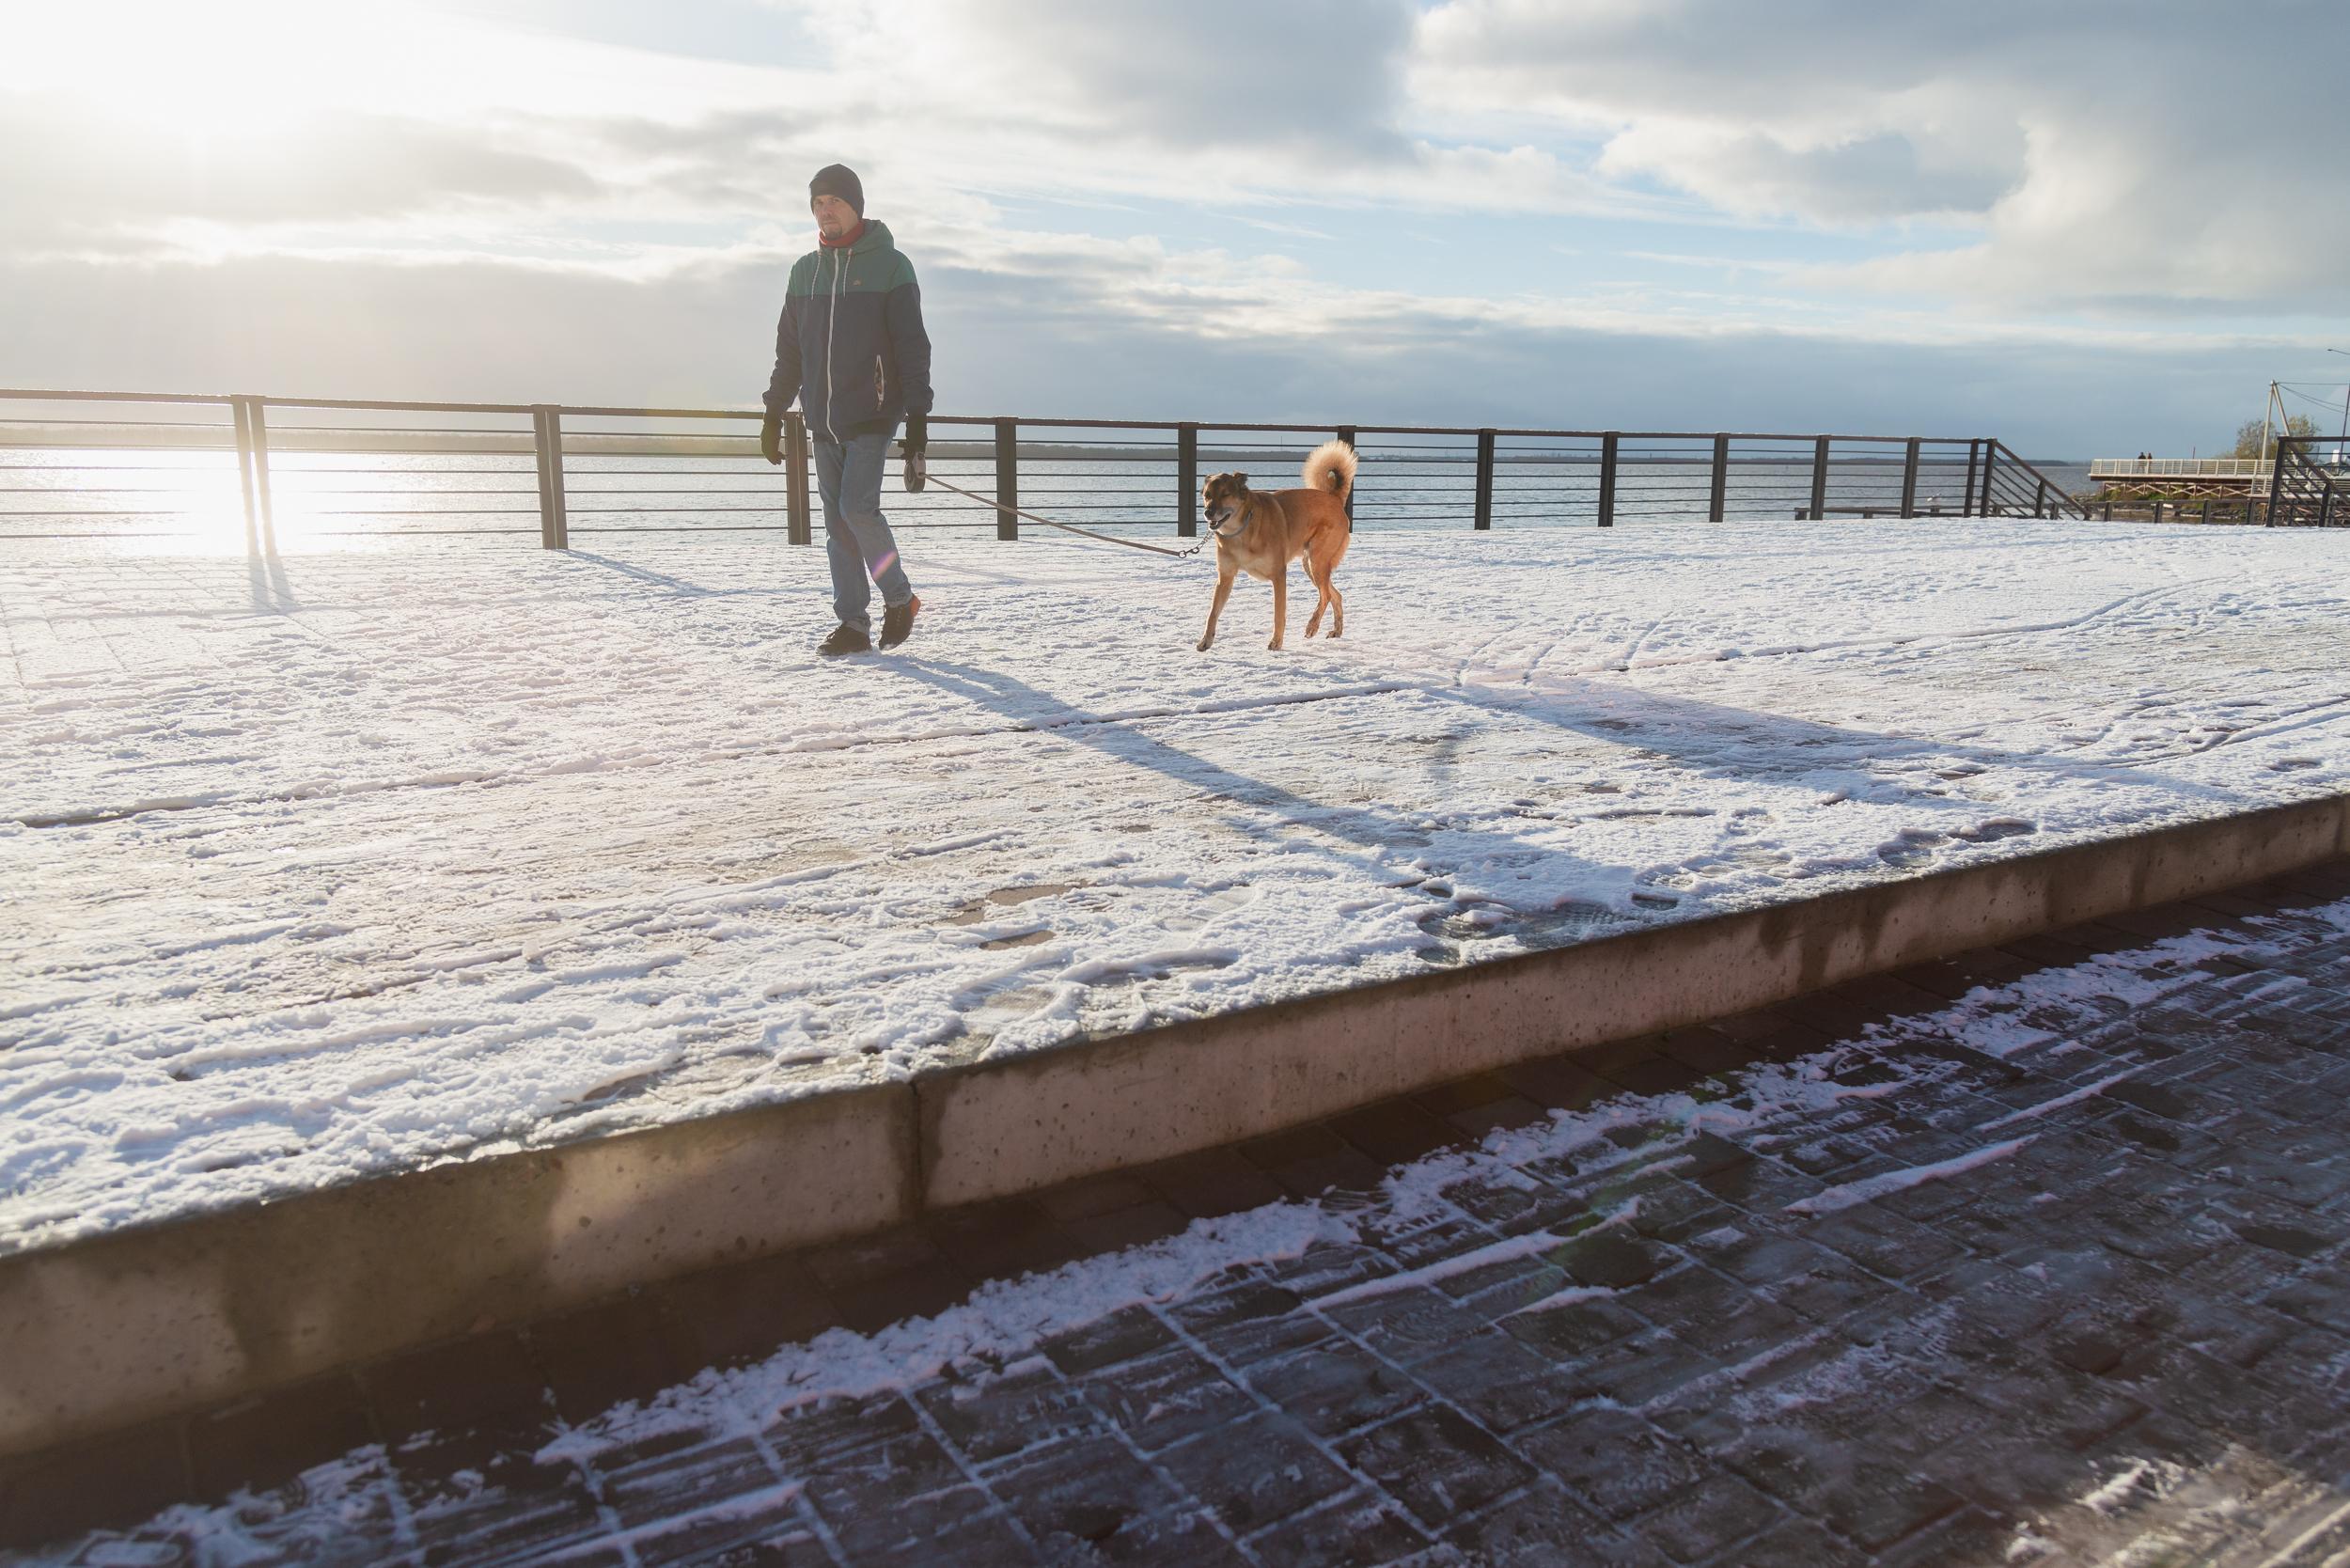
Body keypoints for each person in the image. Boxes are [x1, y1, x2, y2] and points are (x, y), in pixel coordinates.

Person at [760, 164, 933, 655]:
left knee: (857, 508)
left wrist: (917, 419)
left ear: (856, 205)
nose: (824, 210)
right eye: (817, 203)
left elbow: (912, 346)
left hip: (874, 412)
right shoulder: (803, 271)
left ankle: (899, 597)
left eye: (833, 200)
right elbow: (790, 353)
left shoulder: (891, 266)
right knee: (837, 525)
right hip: (823, 417)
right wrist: (774, 412)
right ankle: (853, 625)